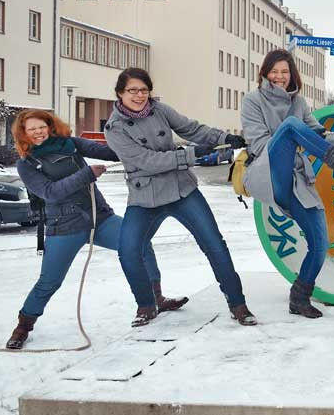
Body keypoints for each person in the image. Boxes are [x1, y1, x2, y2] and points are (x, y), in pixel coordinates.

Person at [6, 109, 186, 350]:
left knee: (140, 242)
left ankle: (156, 299)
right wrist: (86, 174)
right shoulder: (27, 164)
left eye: (41, 127)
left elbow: (110, 152)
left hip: (98, 217)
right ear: (24, 134)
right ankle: (23, 326)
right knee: (50, 281)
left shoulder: (70, 143)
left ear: (49, 126)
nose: (38, 132)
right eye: (32, 129)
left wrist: (145, 149)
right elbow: (50, 192)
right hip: (65, 226)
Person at [104, 68, 255, 327]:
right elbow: (147, 161)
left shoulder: (159, 110)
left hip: (182, 190)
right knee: (128, 250)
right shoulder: (114, 128)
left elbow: (191, 128)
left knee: (214, 244)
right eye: (132, 90)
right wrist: (191, 155)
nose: (139, 96)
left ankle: (238, 304)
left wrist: (223, 137)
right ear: (120, 93)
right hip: (145, 198)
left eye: (144, 90)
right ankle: (146, 305)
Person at [241, 49, 334, 318]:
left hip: (298, 181)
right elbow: (258, 144)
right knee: (291, 127)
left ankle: (300, 297)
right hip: (268, 170)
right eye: (274, 71)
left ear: (292, 75)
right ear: (265, 74)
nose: (279, 77)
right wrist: (293, 138)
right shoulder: (252, 100)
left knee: (319, 243)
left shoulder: (299, 102)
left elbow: (319, 138)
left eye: (284, 72)